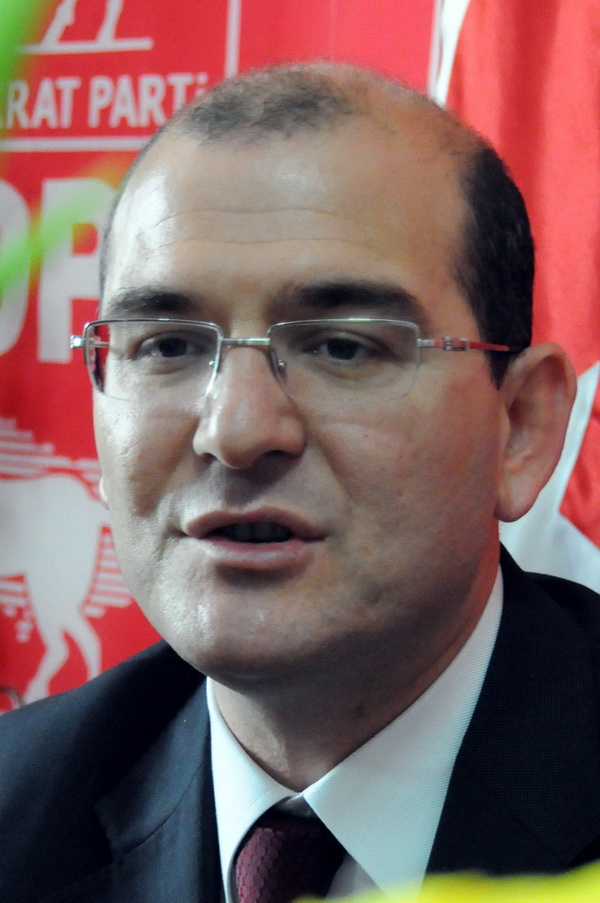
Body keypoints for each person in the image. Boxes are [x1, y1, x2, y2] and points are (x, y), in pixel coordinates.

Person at [1, 62, 599, 903]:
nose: (236, 431)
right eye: (168, 346)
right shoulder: (20, 810)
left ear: (522, 427)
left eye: (342, 347)